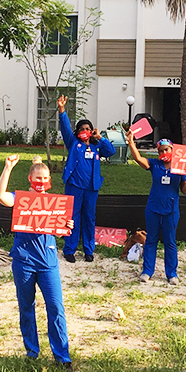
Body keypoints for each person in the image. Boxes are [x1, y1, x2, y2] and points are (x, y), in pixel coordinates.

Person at [0, 154, 74, 372]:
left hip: (48, 262)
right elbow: (0, 196)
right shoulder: (21, 199)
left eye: (45, 178)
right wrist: (7, 167)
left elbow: (63, 228)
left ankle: (62, 356)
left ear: (49, 180)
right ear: (30, 178)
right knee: (26, 307)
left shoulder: (55, 204)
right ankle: (32, 352)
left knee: (56, 308)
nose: (41, 182)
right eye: (37, 178)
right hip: (24, 261)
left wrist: (67, 224)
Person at [125, 130, 186, 284]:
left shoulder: (180, 167)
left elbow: (184, 190)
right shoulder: (155, 164)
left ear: (172, 150)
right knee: (151, 240)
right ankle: (147, 271)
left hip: (171, 210)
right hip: (153, 209)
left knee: (170, 242)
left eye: (166, 149)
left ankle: (171, 274)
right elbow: (138, 159)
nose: (164, 152)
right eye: (161, 150)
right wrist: (131, 143)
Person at [56, 94, 115, 263]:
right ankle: (70, 250)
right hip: (74, 185)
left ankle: (89, 250)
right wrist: (62, 109)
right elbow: (65, 128)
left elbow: (111, 152)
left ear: (92, 131)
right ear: (77, 132)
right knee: (72, 218)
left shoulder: (97, 146)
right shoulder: (73, 143)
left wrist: (100, 137)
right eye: (81, 129)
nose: (85, 131)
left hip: (92, 188)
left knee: (89, 218)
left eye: (88, 129)